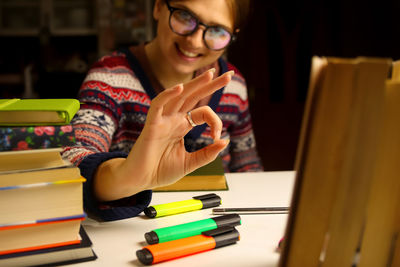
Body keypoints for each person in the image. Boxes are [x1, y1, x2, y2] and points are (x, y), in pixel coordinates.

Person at [62, 0, 263, 221]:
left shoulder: (234, 86)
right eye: (185, 17)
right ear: (158, 7)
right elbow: (72, 159)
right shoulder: (108, 78)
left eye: (217, 31)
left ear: (232, 35)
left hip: (213, 220)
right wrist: (127, 175)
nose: (194, 41)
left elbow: (248, 167)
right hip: (137, 226)